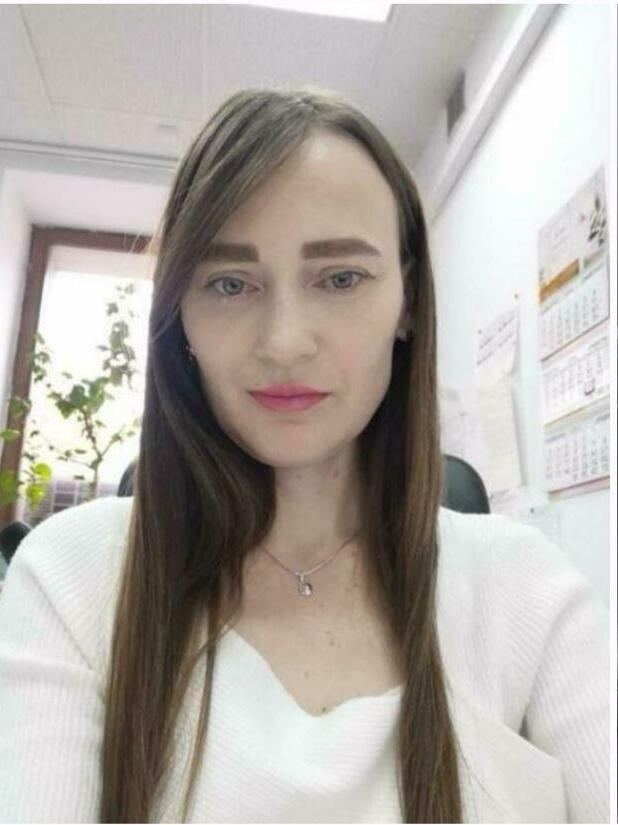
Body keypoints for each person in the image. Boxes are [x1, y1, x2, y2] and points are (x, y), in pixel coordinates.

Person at [0, 86, 609, 824]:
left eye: (341, 278)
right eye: (230, 283)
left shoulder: (527, 591)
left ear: (409, 302)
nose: (284, 341)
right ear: (179, 314)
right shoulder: (76, 578)